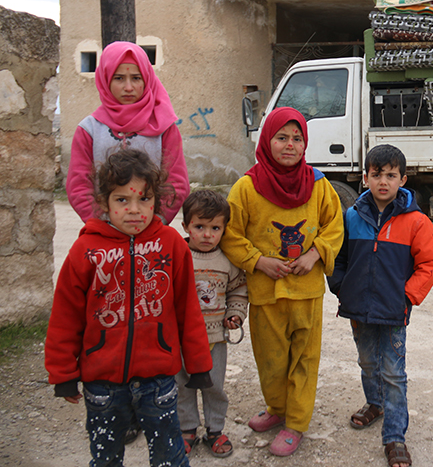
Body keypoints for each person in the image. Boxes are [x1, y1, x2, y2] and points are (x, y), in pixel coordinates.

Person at [44, 149, 213, 467]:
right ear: (104, 202)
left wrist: (199, 364)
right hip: (103, 385)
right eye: (123, 200)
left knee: (170, 457)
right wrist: (63, 372)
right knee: (106, 459)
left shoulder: (171, 245)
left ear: (156, 201)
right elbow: (65, 316)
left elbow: (187, 309)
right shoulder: (86, 250)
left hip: (159, 381)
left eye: (144, 200)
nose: (135, 210)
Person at [220, 106, 344, 457]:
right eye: (281, 138)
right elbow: (229, 233)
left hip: (306, 292)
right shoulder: (246, 188)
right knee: (271, 359)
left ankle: (296, 423)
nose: (290, 145)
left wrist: (314, 254)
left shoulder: (319, 186)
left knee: (305, 358)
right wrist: (259, 261)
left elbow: (334, 226)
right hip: (265, 291)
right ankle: (277, 408)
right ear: (266, 140)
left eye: (297, 138)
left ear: (306, 144)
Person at [327, 144, 433, 467]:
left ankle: (394, 436)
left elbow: (431, 264)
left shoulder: (416, 222)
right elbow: (339, 258)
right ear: (365, 178)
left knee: (393, 372)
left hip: (393, 313)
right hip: (358, 310)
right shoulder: (351, 216)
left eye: (391, 175)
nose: (383, 181)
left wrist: (406, 297)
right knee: (367, 362)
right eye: (376, 174)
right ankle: (374, 403)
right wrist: (340, 287)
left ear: (402, 180)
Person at [66, 40, 189, 225]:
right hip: (104, 233)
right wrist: (103, 223)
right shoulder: (89, 130)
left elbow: (177, 183)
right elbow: (78, 186)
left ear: (147, 79)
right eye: (119, 78)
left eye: (136, 78)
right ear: (105, 79)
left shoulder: (164, 128)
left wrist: (154, 223)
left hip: (151, 233)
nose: (129, 87)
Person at [176, 190, 249, 457]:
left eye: (215, 228)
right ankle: (187, 429)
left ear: (224, 229)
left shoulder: (228, 261)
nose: (207, 235)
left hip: (215, 339)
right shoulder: (177, 256)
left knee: (214, 386)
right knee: (182, 385)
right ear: (185, 226)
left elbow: (238, 291)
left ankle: (215, 430)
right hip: (181, 339)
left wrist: (236, 314)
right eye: (199, 227)